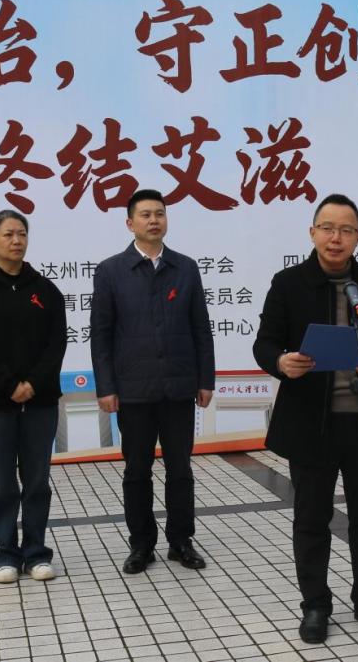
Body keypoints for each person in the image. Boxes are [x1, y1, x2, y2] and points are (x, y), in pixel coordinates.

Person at [253, 194, 358, 644]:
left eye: (346, 230)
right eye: (328, 228)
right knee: (311, 519)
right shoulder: (288, 283)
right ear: (313, 232)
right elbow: (265, 343)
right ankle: (316, 605)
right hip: (311, 425)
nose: (336, 238)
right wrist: (281, 362)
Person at [90, 189, 215, 574]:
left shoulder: (185, 268)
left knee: (181, 470)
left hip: (178, 388)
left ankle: (181, 541)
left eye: (159, 213)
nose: (154, 220)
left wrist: (205, 379)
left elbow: (200, 328)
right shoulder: (111, 271)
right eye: (145, 214)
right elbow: (101, 334)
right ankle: (141, 545)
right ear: (130, 223)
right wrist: (106, 387)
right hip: (133, 390)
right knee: (136, 471)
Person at [0, 210, 68, 584]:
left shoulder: (45, 290)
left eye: (22, 233)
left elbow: (56, 343)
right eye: (8, 234)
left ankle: (36, 552)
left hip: (40, 400)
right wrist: (10, 386)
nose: (16, 241)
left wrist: (33, 383)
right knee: (2, 482)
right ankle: (6, 553)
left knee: (37, 481)